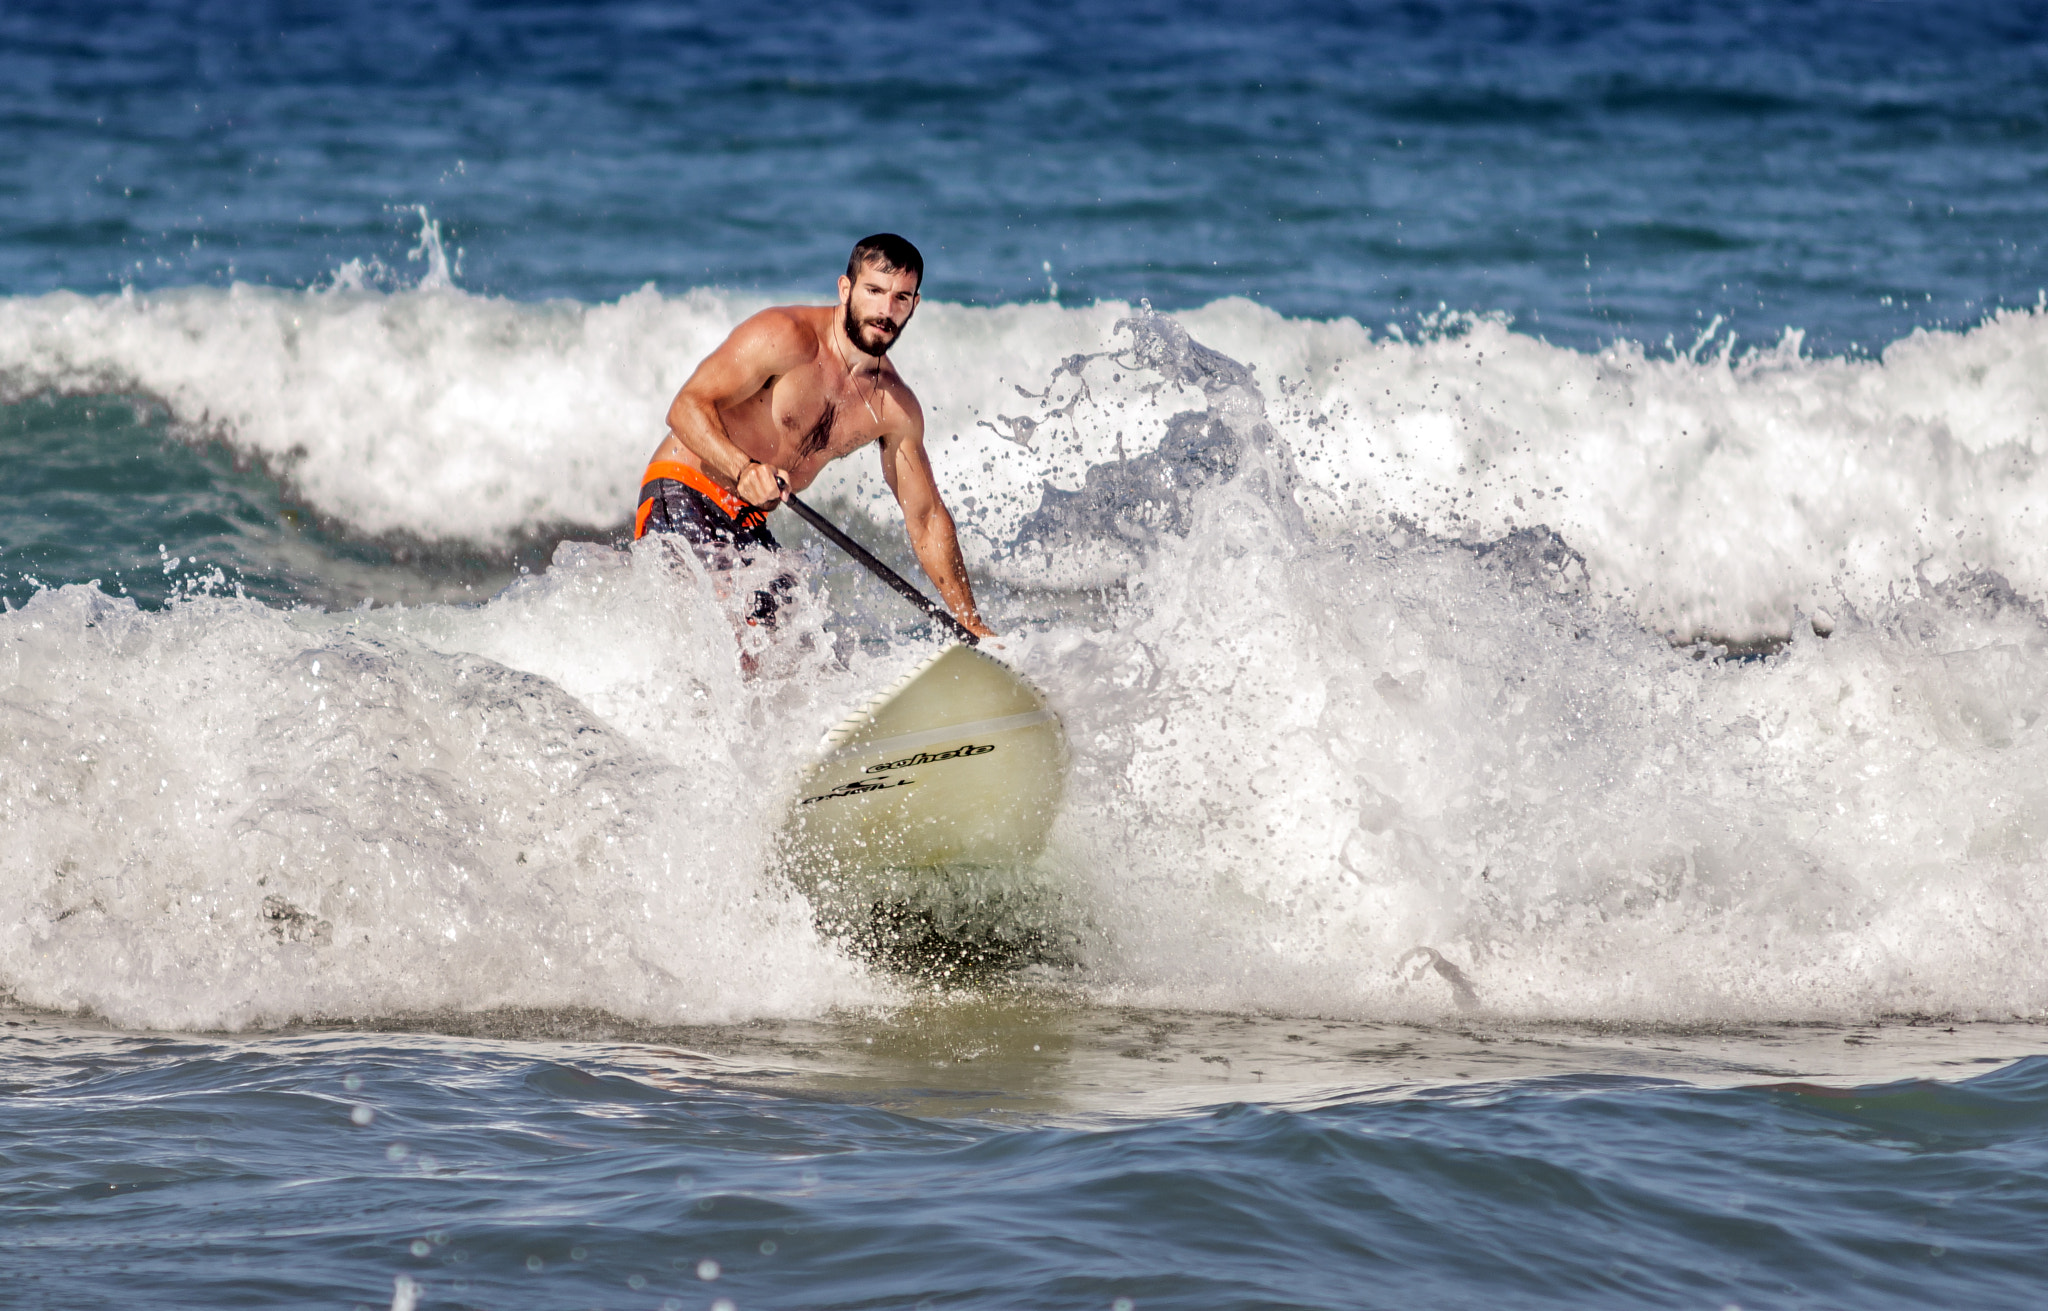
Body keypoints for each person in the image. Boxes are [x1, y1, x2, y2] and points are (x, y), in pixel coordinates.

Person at [634, 233, 995, 639]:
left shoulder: (894, 407)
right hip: (684, 490)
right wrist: (744, 469)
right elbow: (685, 407)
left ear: (916, 304)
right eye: (874, 290)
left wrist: (969, 620)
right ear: (846, 289)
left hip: (747, 522)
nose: (885, 309)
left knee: (799, 648)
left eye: (901, 297)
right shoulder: (784, 336)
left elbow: (926, 518)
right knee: (737, 638)